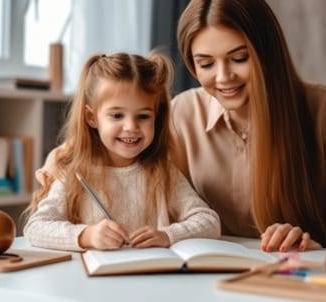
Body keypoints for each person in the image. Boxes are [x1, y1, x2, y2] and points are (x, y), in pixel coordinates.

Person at [171, 0, 326, 254]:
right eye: (206, 64)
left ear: (267, 53)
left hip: (304, 279)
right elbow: (163, 207)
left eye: (239, 58)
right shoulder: (181, 114)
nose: (223, 77)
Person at [23, 52, 220, 251]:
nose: (131, 126)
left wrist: (168, 235)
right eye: (117, 115)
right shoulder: (73, 174)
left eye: (143, 116)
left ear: (156, 118)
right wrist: (86, 235)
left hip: (151, 277)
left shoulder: (163, 173)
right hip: (91, 278)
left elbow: (209, 222)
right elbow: (35, 227)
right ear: (91, 117)